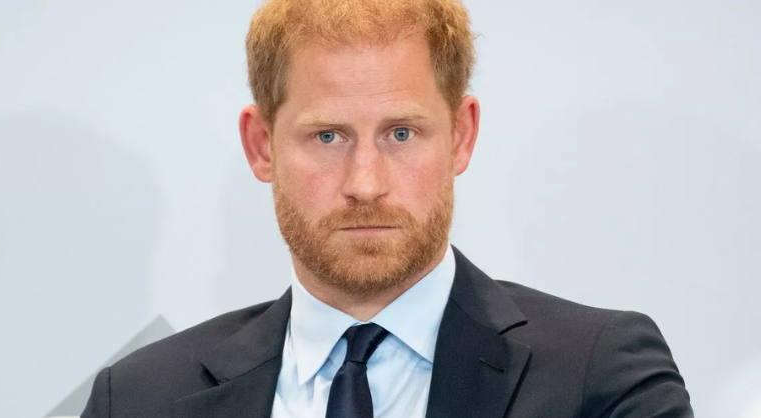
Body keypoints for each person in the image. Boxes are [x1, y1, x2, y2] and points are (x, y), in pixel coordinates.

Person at [82, 0, 693, 417]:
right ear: (262, 145)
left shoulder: (600, 376)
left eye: (401, 133)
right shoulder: (138, 399)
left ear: (461, 135)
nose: (366, 184)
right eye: (328, 136)